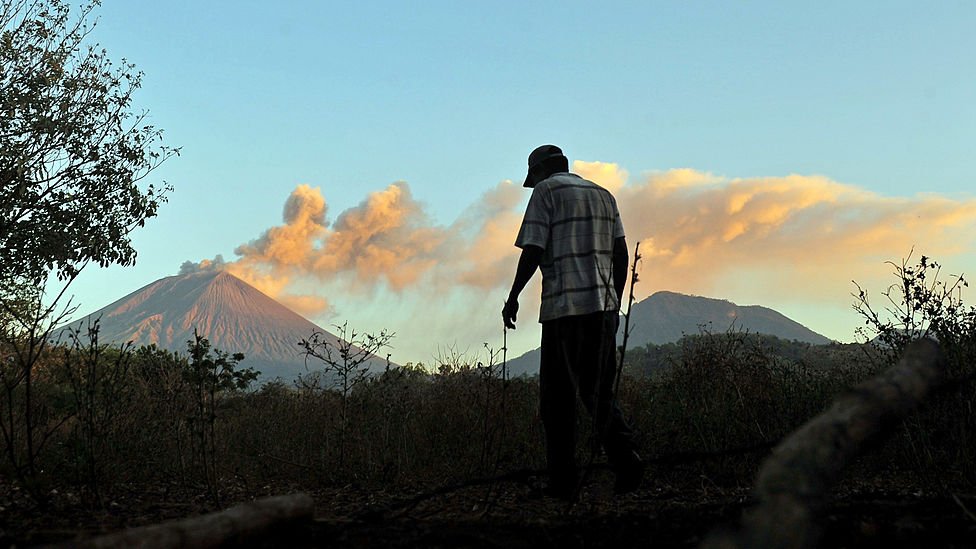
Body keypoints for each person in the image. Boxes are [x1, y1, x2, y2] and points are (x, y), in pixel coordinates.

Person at [503, 144, 644, 499]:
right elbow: (621, 252)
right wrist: (612, 299)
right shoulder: (604, 195)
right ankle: (628, 463)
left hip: (564, 311)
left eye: (532, 177)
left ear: (539, 172)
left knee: (557, 399)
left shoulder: (545, 192)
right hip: (602, 311)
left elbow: (533, 248)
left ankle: (563, 484)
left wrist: (514, 295)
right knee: (598, 393)